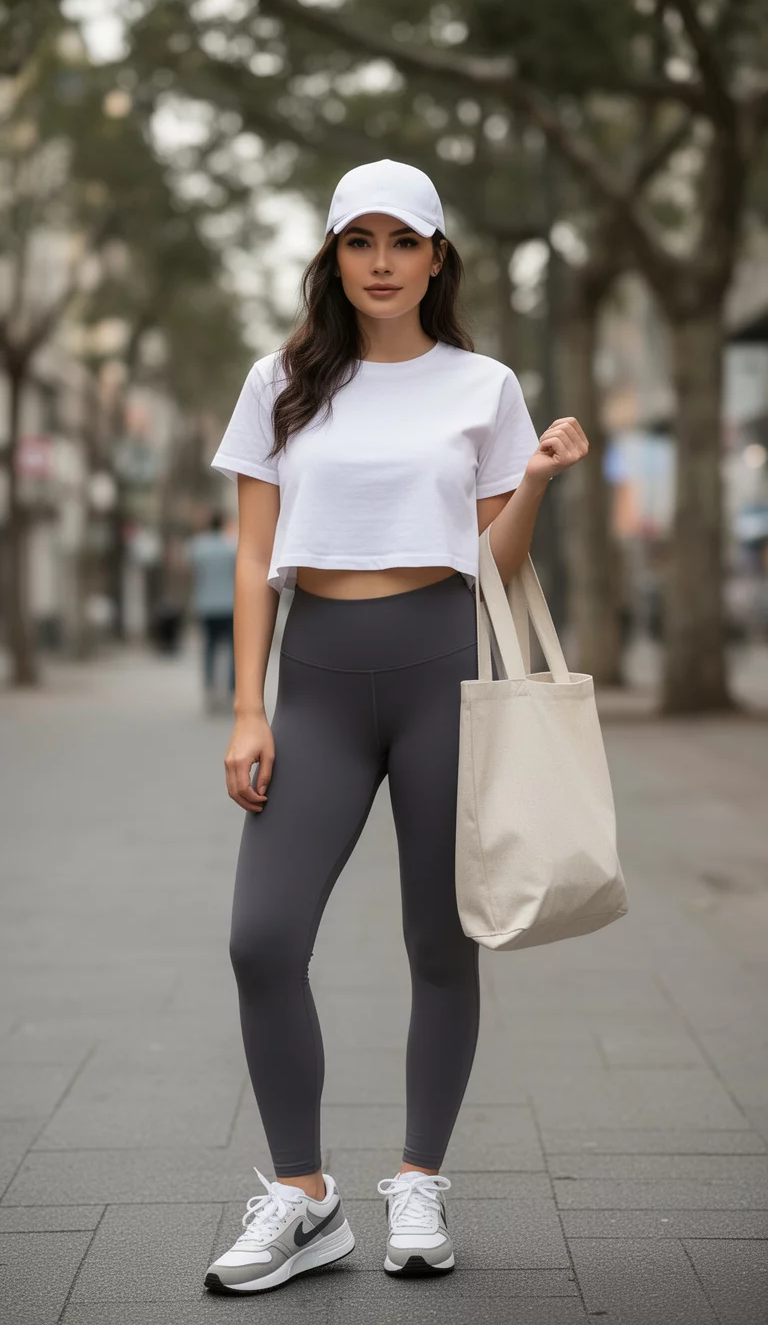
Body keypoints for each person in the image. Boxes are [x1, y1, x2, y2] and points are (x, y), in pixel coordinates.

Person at [203, 159, 588, 1295]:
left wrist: (538, 483)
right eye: (358, 241)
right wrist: (245, 706)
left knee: (440, 942)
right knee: (261, 938)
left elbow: (495, 565)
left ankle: (418, 1183)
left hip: (440, 671)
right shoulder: (281, 382)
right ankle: (304, 1197)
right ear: (332, 257)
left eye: (400, 241)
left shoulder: (485, 385)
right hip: (315, 680)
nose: (380, 262)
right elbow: (254, 556)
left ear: (434, 257)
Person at [188, 511, 237, 712]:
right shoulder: (231, 547)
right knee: (234, 651)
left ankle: (209, 690)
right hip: (229, 605)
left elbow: (192, 571)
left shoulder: (198, 547)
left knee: (209, 649)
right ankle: (231, 691)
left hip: (206, 605)